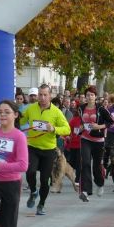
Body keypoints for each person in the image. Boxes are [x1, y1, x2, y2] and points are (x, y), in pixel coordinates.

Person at [19, 84, 70, 215]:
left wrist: (54, 129)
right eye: (40, 95)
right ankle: (33, 192)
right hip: (33, 147)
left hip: (48, 150)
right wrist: (15, 115)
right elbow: (21, 120)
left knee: (44, 180)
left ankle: (41, 204)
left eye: (45, 95)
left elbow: (67, 129)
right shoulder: (31, 108)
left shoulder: (56, 112)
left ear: (50, 96)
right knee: (29, 172)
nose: (42, 97)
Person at [78, 85, 114, 201]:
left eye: (92, 95)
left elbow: (111, 122)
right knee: (86, 163)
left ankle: (100, 183)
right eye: (87, 95)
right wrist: (81, 127)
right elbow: (81, 121)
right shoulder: (81, 108)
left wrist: (99, 126)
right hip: (85, 138)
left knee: (97, 166)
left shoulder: (101, 109)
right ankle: (86, 190)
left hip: (98, 141)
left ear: (95, 96)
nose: (89, 97)